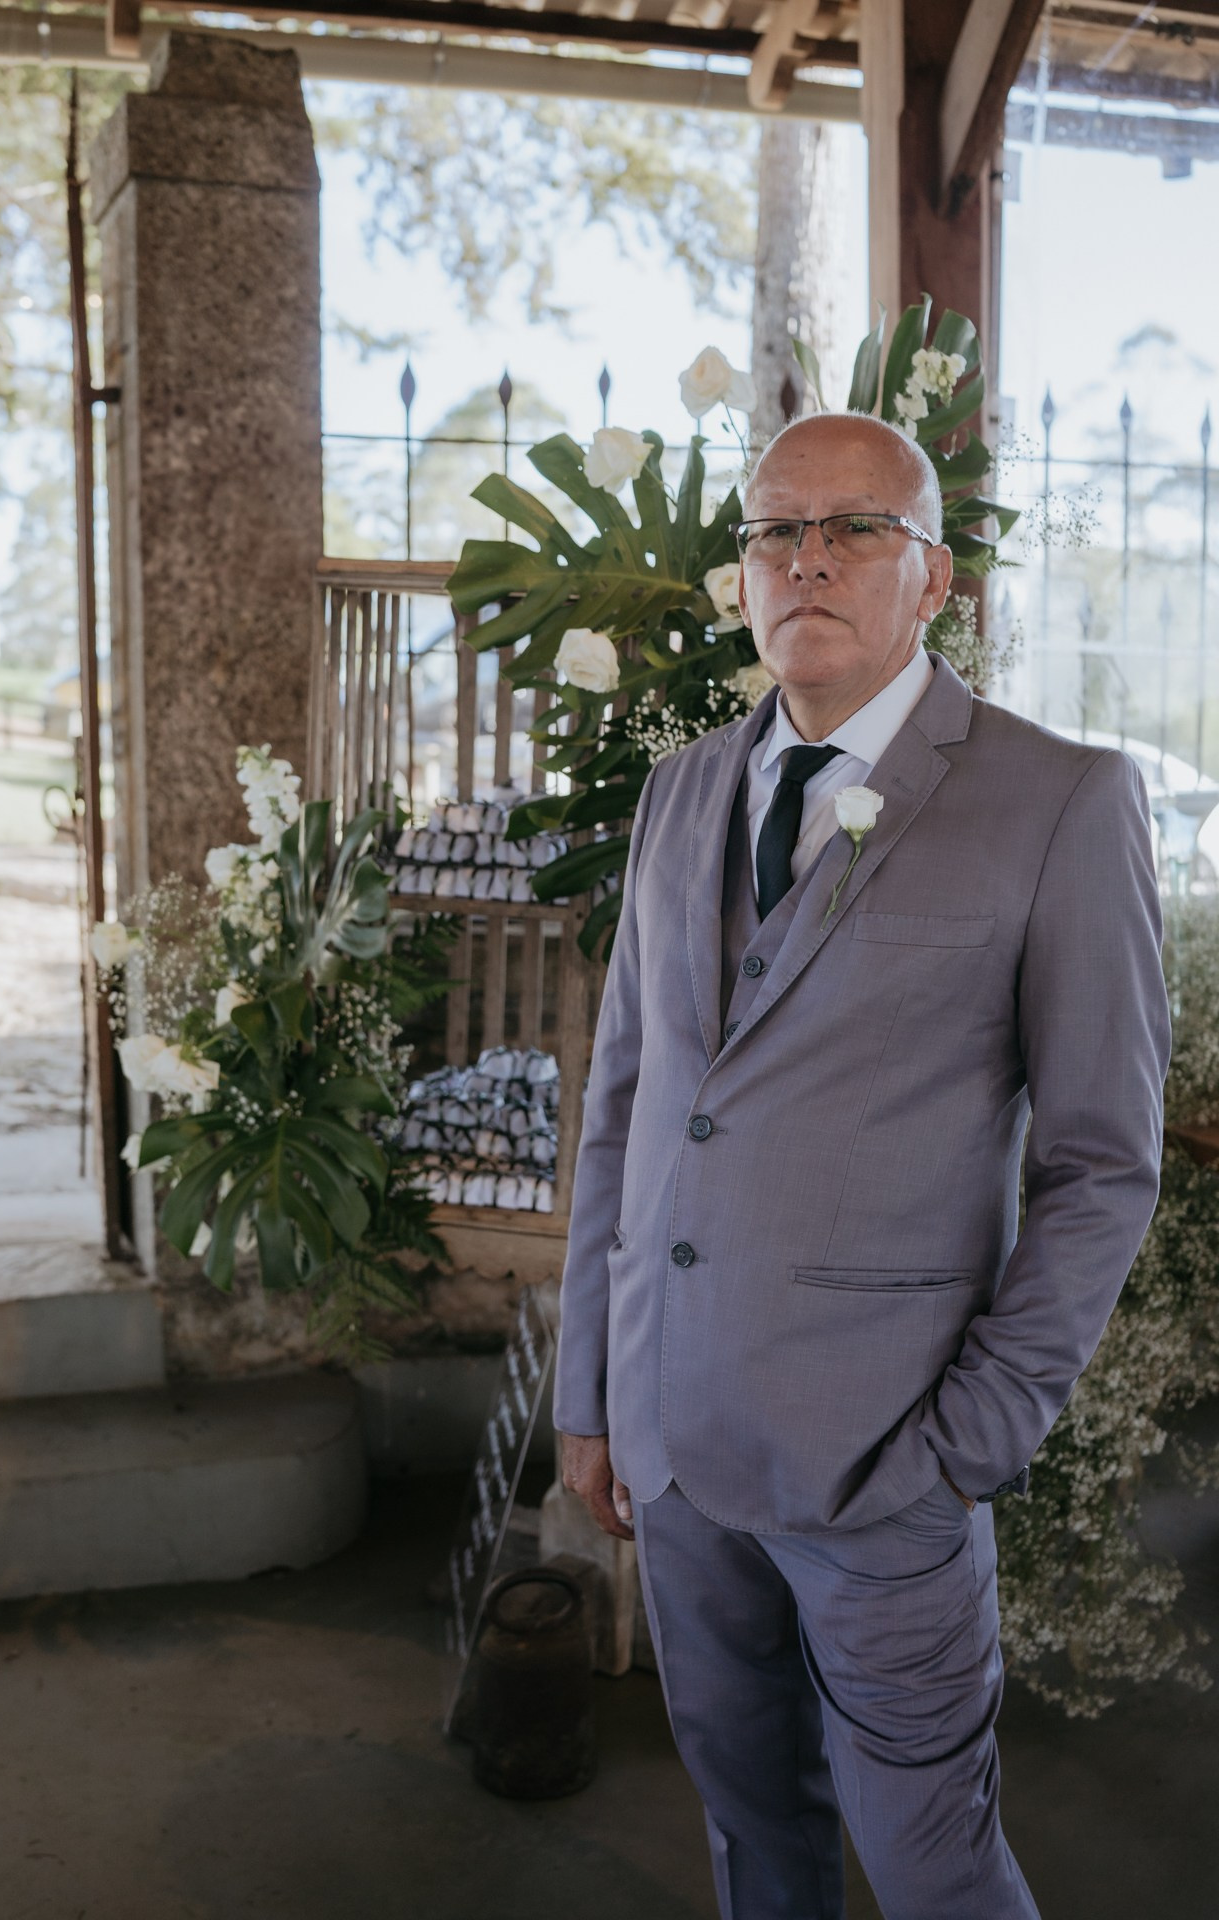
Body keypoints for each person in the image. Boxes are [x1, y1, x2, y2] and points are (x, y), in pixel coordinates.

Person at [553, 411, 1171, 1920]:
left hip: (885, 1459)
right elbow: (628, 1104)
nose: (810, 558)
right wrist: (593, 1391)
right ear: (745, 572)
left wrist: (975, 1437)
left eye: (856, 527)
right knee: (751, 1824)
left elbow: (1103, 1163)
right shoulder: (683, 792)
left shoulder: (1060, 801)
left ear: (933, 576)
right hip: (671, 1442)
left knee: (932, 1864)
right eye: (778, 529)